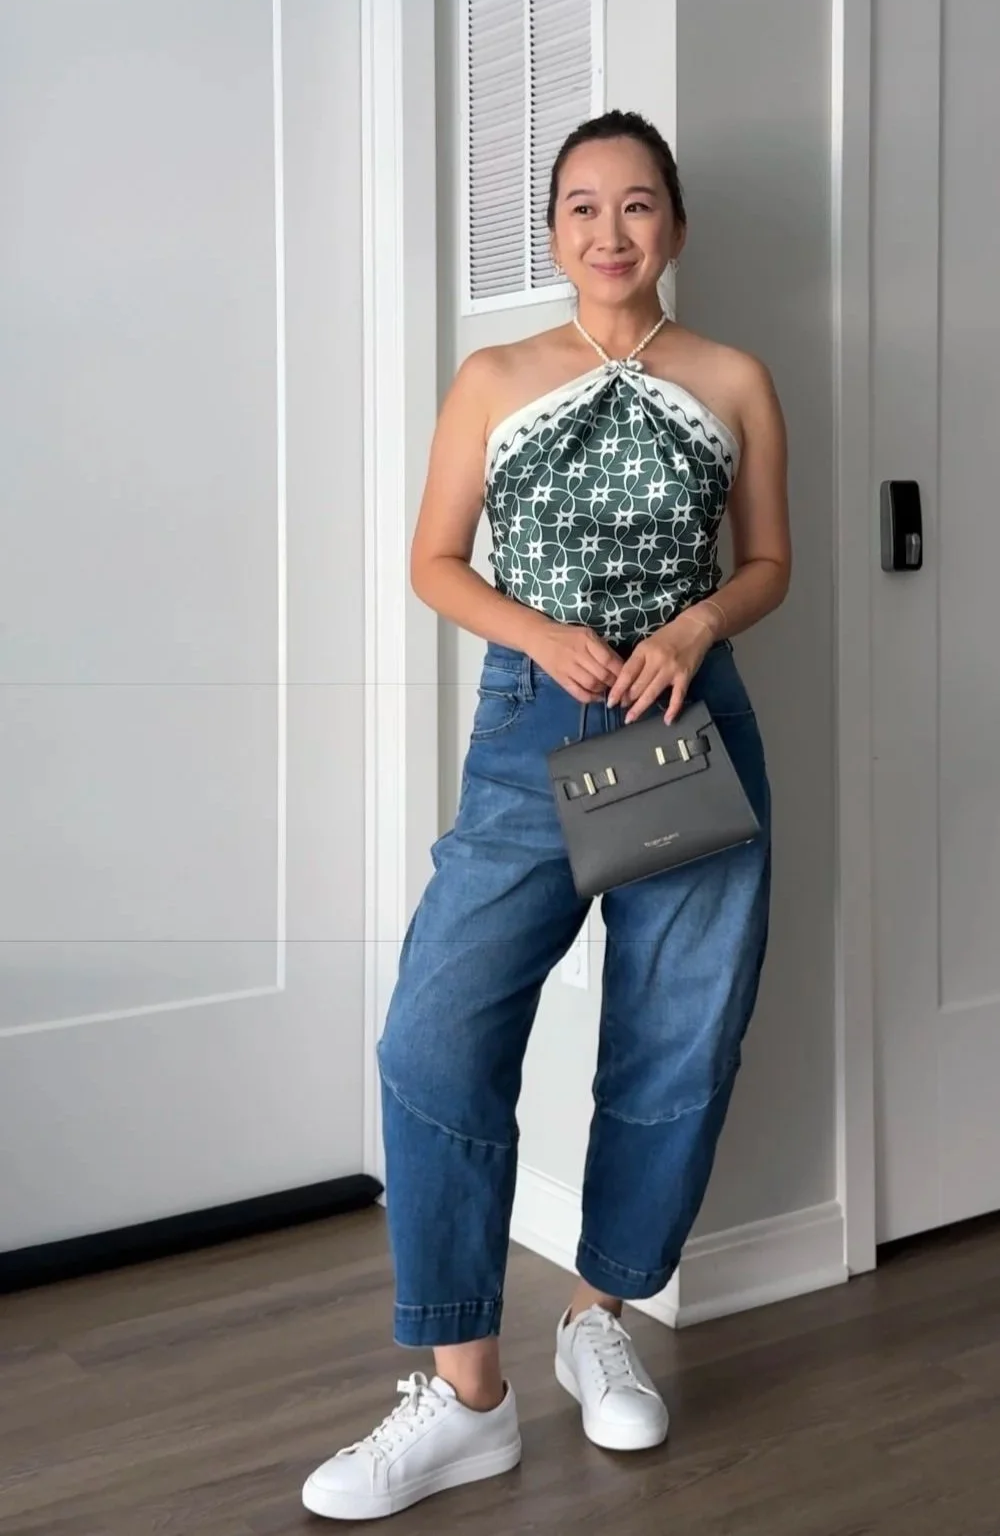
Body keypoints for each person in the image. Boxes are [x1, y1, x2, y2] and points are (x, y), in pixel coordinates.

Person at [301, 108, 791, 1522]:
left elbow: (769, 561)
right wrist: (540, 633)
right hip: (533, 722)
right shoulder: (495, 377)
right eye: (583, 206)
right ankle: (467, 1399)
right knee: (435, 1033)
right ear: (555, 232)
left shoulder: (735, 378)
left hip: (688, 722)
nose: (610, 230)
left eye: (637, 205)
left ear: (675, 225)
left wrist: (694, 626)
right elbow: (435, 561)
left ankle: (598, 1318)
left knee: (679, 1033)